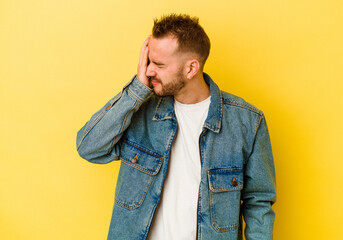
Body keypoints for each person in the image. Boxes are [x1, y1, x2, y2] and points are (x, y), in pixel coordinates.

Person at [76, 13, 276, 240]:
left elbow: (258, 201)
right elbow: (89, 147)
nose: (149, 71)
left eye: (159, 64)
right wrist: (136, 92)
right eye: (148, 61)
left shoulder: (247, 122)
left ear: (191, 69)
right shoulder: (140, 111)